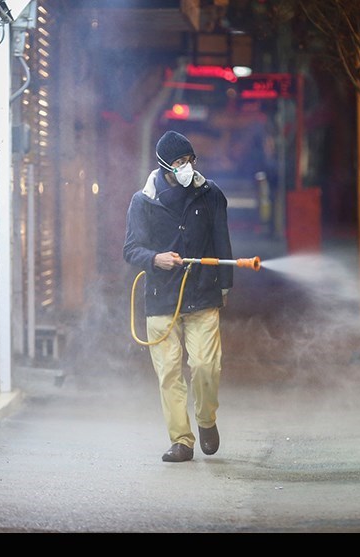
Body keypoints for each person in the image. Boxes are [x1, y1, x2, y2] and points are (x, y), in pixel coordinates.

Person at [123, 130, 233, 463]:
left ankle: (206, 420)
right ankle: (182, 440)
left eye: (190, 160)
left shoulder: (210, 195)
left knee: (204, 366)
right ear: (164, 167)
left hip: (202, 293)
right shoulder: (143, 201)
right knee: (169, 373)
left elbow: (222, 242)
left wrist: (224, 287)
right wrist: (154, 259)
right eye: (179, 162)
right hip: (161, 297)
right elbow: (131, 249)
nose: (186, 167)